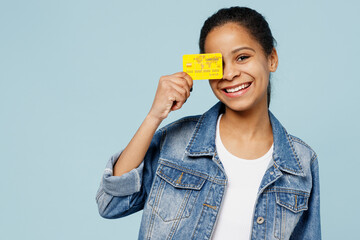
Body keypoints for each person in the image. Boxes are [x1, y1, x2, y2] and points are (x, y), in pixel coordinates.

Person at [96, 6, 321, 240]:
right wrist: (154, 116)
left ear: (271, 59)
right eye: (218, 64)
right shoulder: (176, 142)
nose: (229, 73)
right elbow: (111, 203)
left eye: (242, 57)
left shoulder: (302, 162)